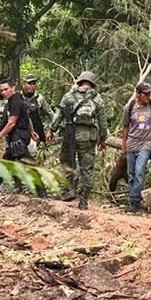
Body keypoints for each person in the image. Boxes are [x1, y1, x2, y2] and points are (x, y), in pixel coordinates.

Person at [49, 71, 108, 210]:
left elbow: (58, 115)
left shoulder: (69, 96)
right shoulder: (97, 98)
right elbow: (102, 122)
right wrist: (103, 139)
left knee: (67, 162)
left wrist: (51, 129)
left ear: (80, 81)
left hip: (70, 135)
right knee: (86, 169)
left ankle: (68, 191)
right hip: (88, 138)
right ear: (92, 84)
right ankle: (83, 201)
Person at [121, 82, 151, 212]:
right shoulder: (130, 107)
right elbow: (126, 127)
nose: (149, 96)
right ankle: (135, 201)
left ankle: (133, 202)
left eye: (150, 93)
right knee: (132, 174)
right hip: (132, 144)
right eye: (146, 94)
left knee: (139, 171)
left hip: (146, 144)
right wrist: (123, 146)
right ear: (138, 94)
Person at [0, 78, 36, 192]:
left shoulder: (15, 101)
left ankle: (41, 191)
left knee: (28, 163)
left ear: (13, 88)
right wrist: (32, 132)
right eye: (1, 90)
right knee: (7, 159)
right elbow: (27, 117)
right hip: (16, 136)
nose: (4, 92)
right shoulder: (13, 101)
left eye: (6, 89)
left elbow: (11, 123)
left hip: (19, 137)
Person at [21, 74, 54, 149]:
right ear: (24, 84)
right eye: (29, 83)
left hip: (37, 133)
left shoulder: (40, 98)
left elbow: (51, 114)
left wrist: (51, 129)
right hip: (22, 132)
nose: (32, 86)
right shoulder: (18, 97)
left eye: (34, 83)